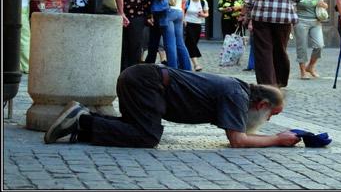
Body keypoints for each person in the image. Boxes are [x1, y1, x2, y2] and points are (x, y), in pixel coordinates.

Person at [44, 63, 302, 148]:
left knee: (137, 127)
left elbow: (238, 136)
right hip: (147, 82)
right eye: (271, 114)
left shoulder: (237, 91)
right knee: (147, 136)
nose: (268, 120)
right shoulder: (236, 95)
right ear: (262, 104)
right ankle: (83, 122)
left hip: (143, 79)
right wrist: (276, 140)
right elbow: (237, 140)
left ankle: (83, 119)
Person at [243, 0, 300, 87]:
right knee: (280, 49)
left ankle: (267, 83)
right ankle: (280, 80)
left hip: (261, 18)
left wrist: (245, 15)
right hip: (284, 19)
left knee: (263, 50)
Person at [156, 0, 192, 70]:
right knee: (180, 43)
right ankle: (187, 68)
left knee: (169, 43)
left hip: (169, 12)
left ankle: (173, 69)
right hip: (179, 12)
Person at [119, 0, 153, 71]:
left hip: (136, 17)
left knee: (134, 44)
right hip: (121, 17)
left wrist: (148, 15)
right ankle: (122, 69)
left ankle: (133, 70)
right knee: (123, 45)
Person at [293, 0, 327, 79]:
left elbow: (325, 5)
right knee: (302, 46)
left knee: (319, 45)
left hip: (316, 22)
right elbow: (293, 8)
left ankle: (311, 66)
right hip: (301, 21)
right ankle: (303, 71)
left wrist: (323, 5)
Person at [20, 0, 48, 73]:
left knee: (20, 38)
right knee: (25, 38)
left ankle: (20, 65)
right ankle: (27, 66)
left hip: (20, 9)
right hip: (22, 11)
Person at [184, 0, 209, 71]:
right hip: (187, 24)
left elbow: (207, 14)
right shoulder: (187, 1)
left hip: (198, 24)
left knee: (192, 43)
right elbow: (182, 11)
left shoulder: (203, 2)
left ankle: (183, 61)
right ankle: (196, 64)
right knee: (191, 43)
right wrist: (183, 20)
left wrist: (202, 15)